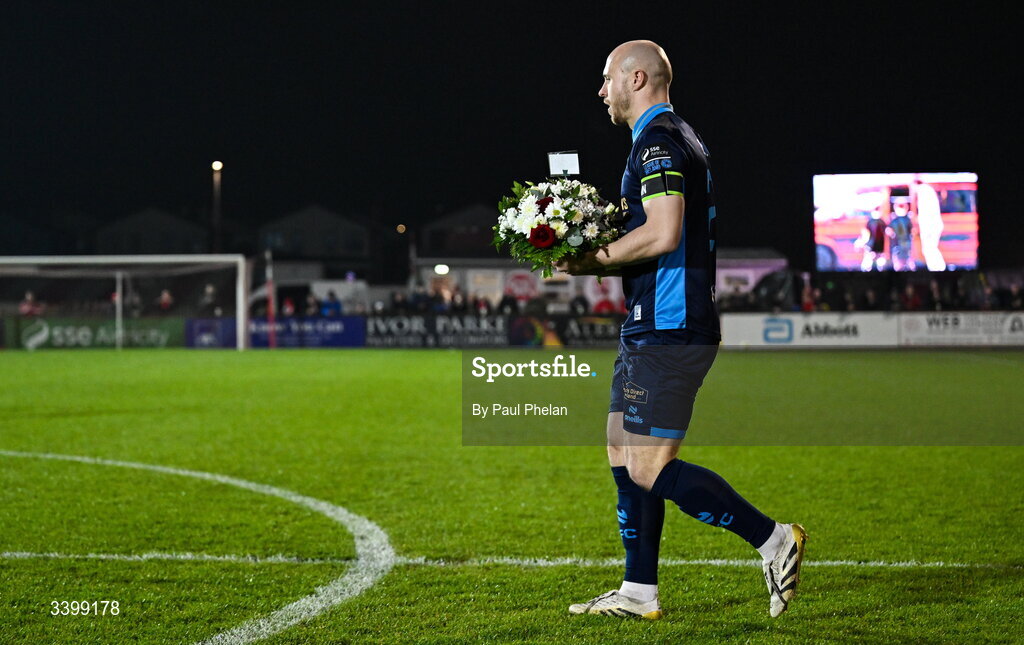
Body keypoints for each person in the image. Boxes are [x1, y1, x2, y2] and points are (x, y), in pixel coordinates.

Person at [557, 40, 806, 621]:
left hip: (671, 323)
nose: (601, 91)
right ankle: (638, 591)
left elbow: (665, 233)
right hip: (650, 321)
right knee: (623, 453)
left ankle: (774, 540)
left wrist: (594, 258)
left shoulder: (658, 143)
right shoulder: (671, 138)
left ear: (635, 78)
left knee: (647, 465)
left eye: (605, 79)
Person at [914, 178, 946, 271]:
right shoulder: (926, 191)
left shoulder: (924, 191)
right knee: (928, 249)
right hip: (931, 225)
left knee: (929, 249)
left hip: (930, 225)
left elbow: (925, 211)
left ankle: (938, 268)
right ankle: (937, 268)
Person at [853, 207, 888, 271]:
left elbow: (886, 230)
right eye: (875, 211)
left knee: (880, 260)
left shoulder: (882, 222)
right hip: (870, 244)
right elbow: (866, 233)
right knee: (868, 260)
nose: (876, 213)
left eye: (877, 211)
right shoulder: (870, 222)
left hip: (880, 244)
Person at [887, 198, 916, 271]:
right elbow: (889, 230)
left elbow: (912, 230)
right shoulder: (894, 220)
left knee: (909, 263)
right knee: (898, 264)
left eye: (902, 206)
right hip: (897, 246)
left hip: (907, 245)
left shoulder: (908, 219)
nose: (901, 207)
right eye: (899, 206)